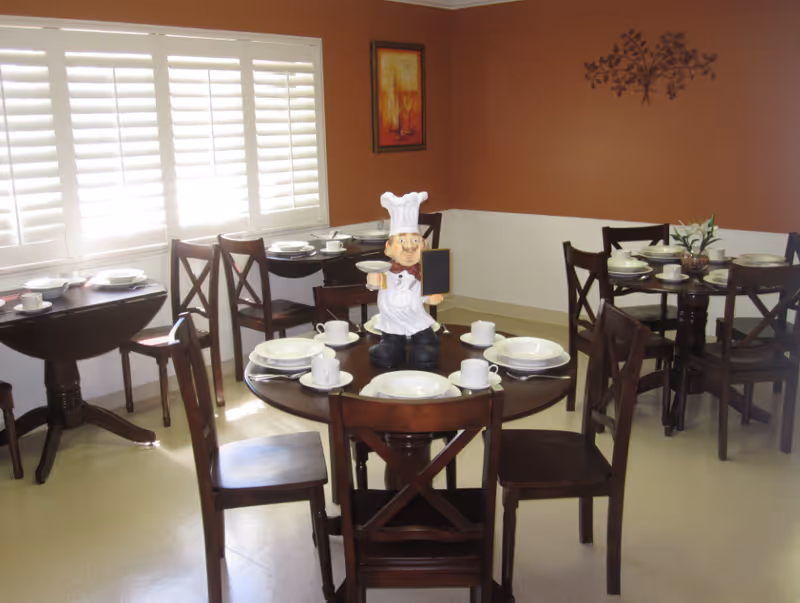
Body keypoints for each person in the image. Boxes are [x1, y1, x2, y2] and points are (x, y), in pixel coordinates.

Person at [366, 192, 444, 369]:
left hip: (417, 321)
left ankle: (425, 345)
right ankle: (392, 345)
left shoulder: (424, 272)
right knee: (387, 353)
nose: (409, 247)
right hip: (392, 323)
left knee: (425, 353)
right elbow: (373, 283)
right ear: (388, 249)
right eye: (402, 241)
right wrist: (373, 279)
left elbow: (429, 292)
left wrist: (432, 296)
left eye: (415, 241)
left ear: (423, 246)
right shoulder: (384, 272)